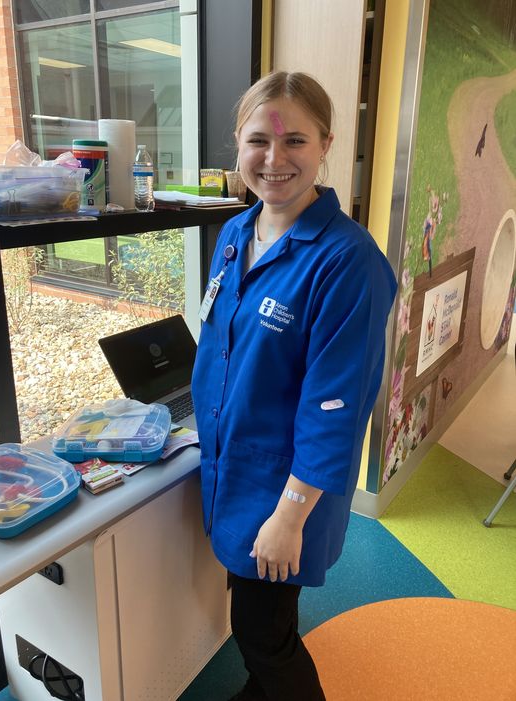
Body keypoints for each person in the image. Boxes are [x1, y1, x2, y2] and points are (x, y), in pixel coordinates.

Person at [191, 71, 397, 701]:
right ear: (237, 143)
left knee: (262, 634)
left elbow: (334, 407)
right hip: (230, 466)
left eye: (296, 142)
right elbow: (221, 343)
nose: (274, 159)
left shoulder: (348, 262)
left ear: (326, 143)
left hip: (283, 489)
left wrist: (289, 516)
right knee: (263, 619)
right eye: (258, 140)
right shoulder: (234, 236)